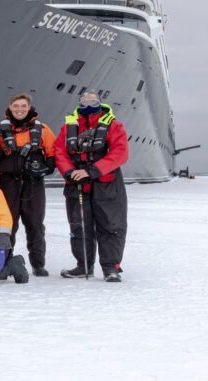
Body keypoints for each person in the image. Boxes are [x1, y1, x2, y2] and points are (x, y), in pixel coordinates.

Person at [54, 91, 129, 282]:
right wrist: (70, 172)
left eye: (92, 100)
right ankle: (83, 265)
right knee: (79, 225)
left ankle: (110, 266)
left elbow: (120, 153)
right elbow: (60, 152)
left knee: (110, 225)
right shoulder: (68, 127)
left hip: (107, 183)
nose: (88, 103)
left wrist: (93, 170)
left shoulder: (113, 125)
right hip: (77, 183)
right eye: (84, 100)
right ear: (79, 103)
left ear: (99, 102)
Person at [0, 93, 57, 276]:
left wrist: (44, 170)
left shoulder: (43, 130)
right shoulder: (0, 129)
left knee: (35, 224)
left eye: (23, 106)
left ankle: (38, 263)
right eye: (16, 106)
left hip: (33, 183)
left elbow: (52, 156)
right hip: (8, 183)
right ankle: (6, 259)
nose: (20, 109)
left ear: (29, 107)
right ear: (10, 107)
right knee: (8, 223)